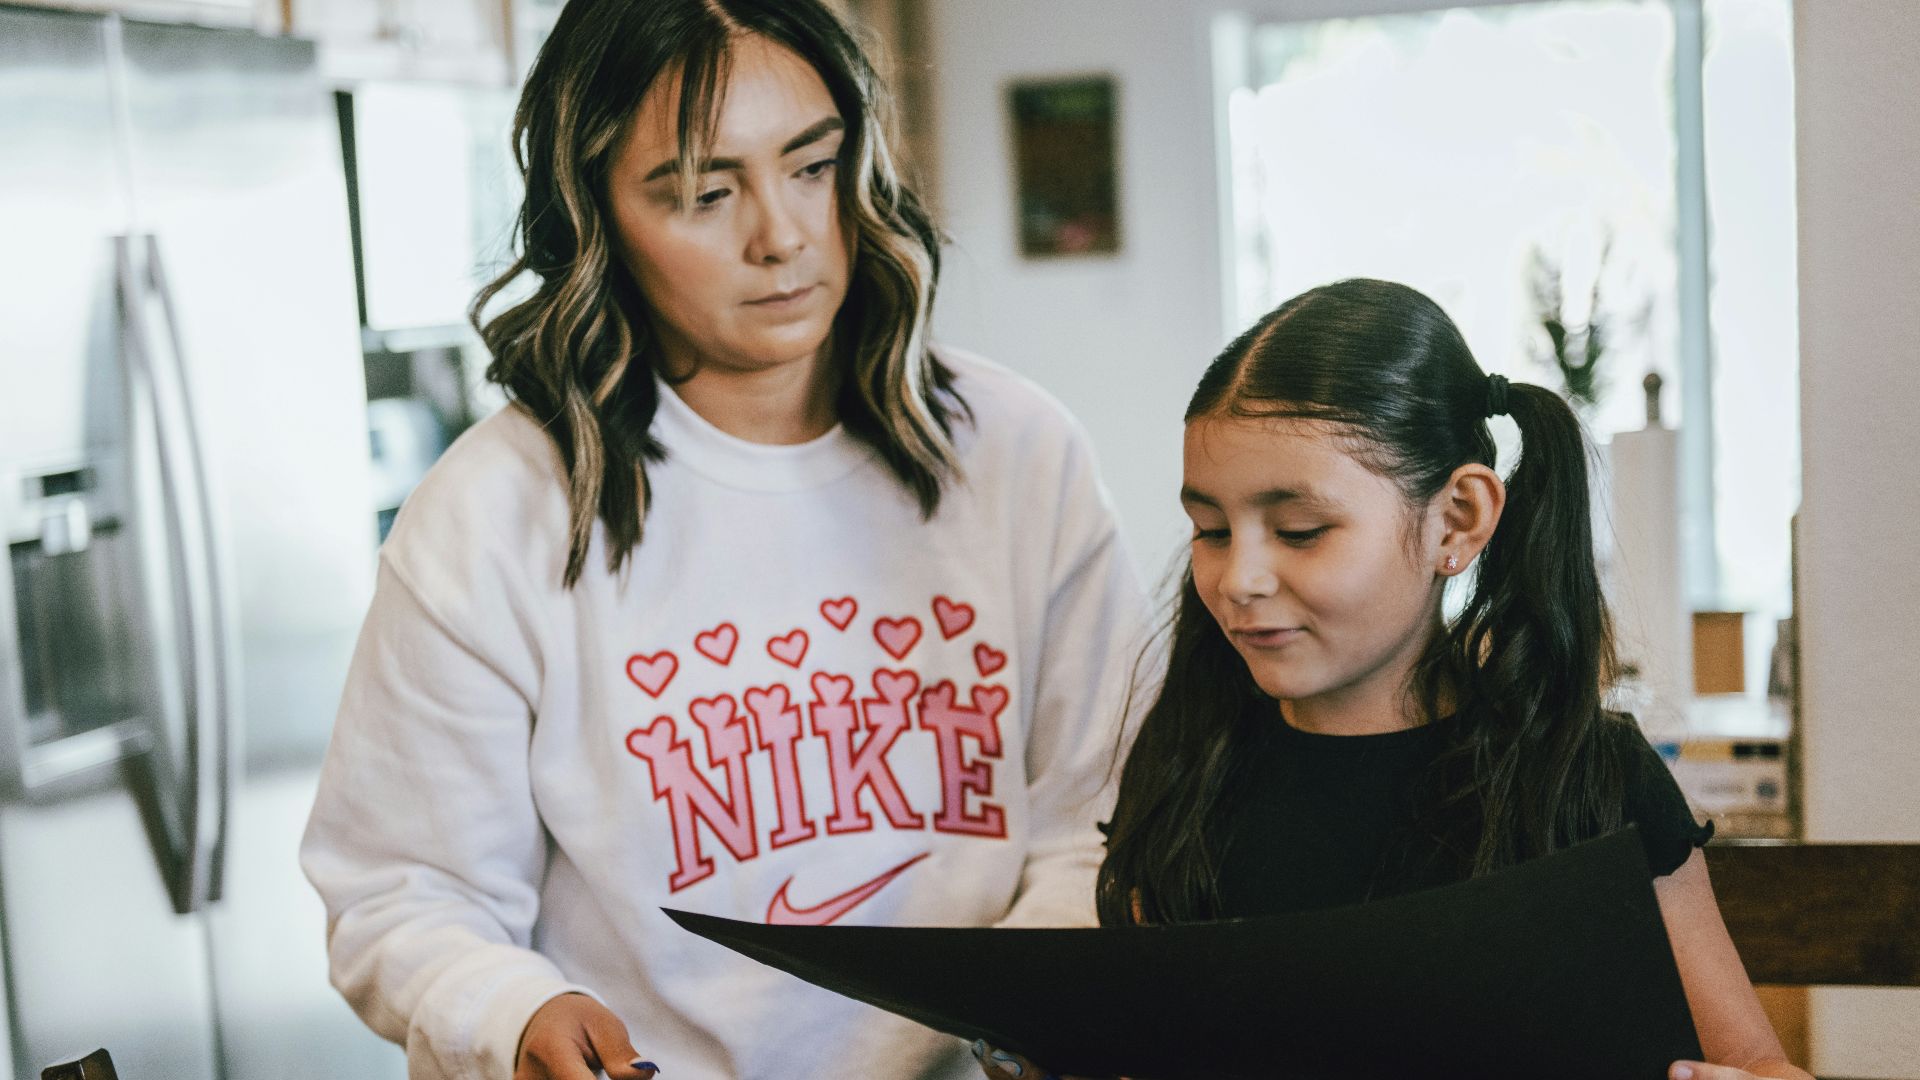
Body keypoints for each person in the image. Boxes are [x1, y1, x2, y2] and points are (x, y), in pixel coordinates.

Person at [300, 2, 1147, 1078]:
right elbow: (401, 891)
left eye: (811, 167)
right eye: (705, 193)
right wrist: (514, 1013)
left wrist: (1032, 1014)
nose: (782, 234)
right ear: (593, 212)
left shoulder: (1018, 454)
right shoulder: (494, 514)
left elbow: (1101, 815)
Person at [974, 279, 1809, 1080]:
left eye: (1300, 531)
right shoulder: (1192, 769)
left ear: (1459, 518)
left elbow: (1757, 1061)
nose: (1239, 578)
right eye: (1211, 529)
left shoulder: (1583, 779)